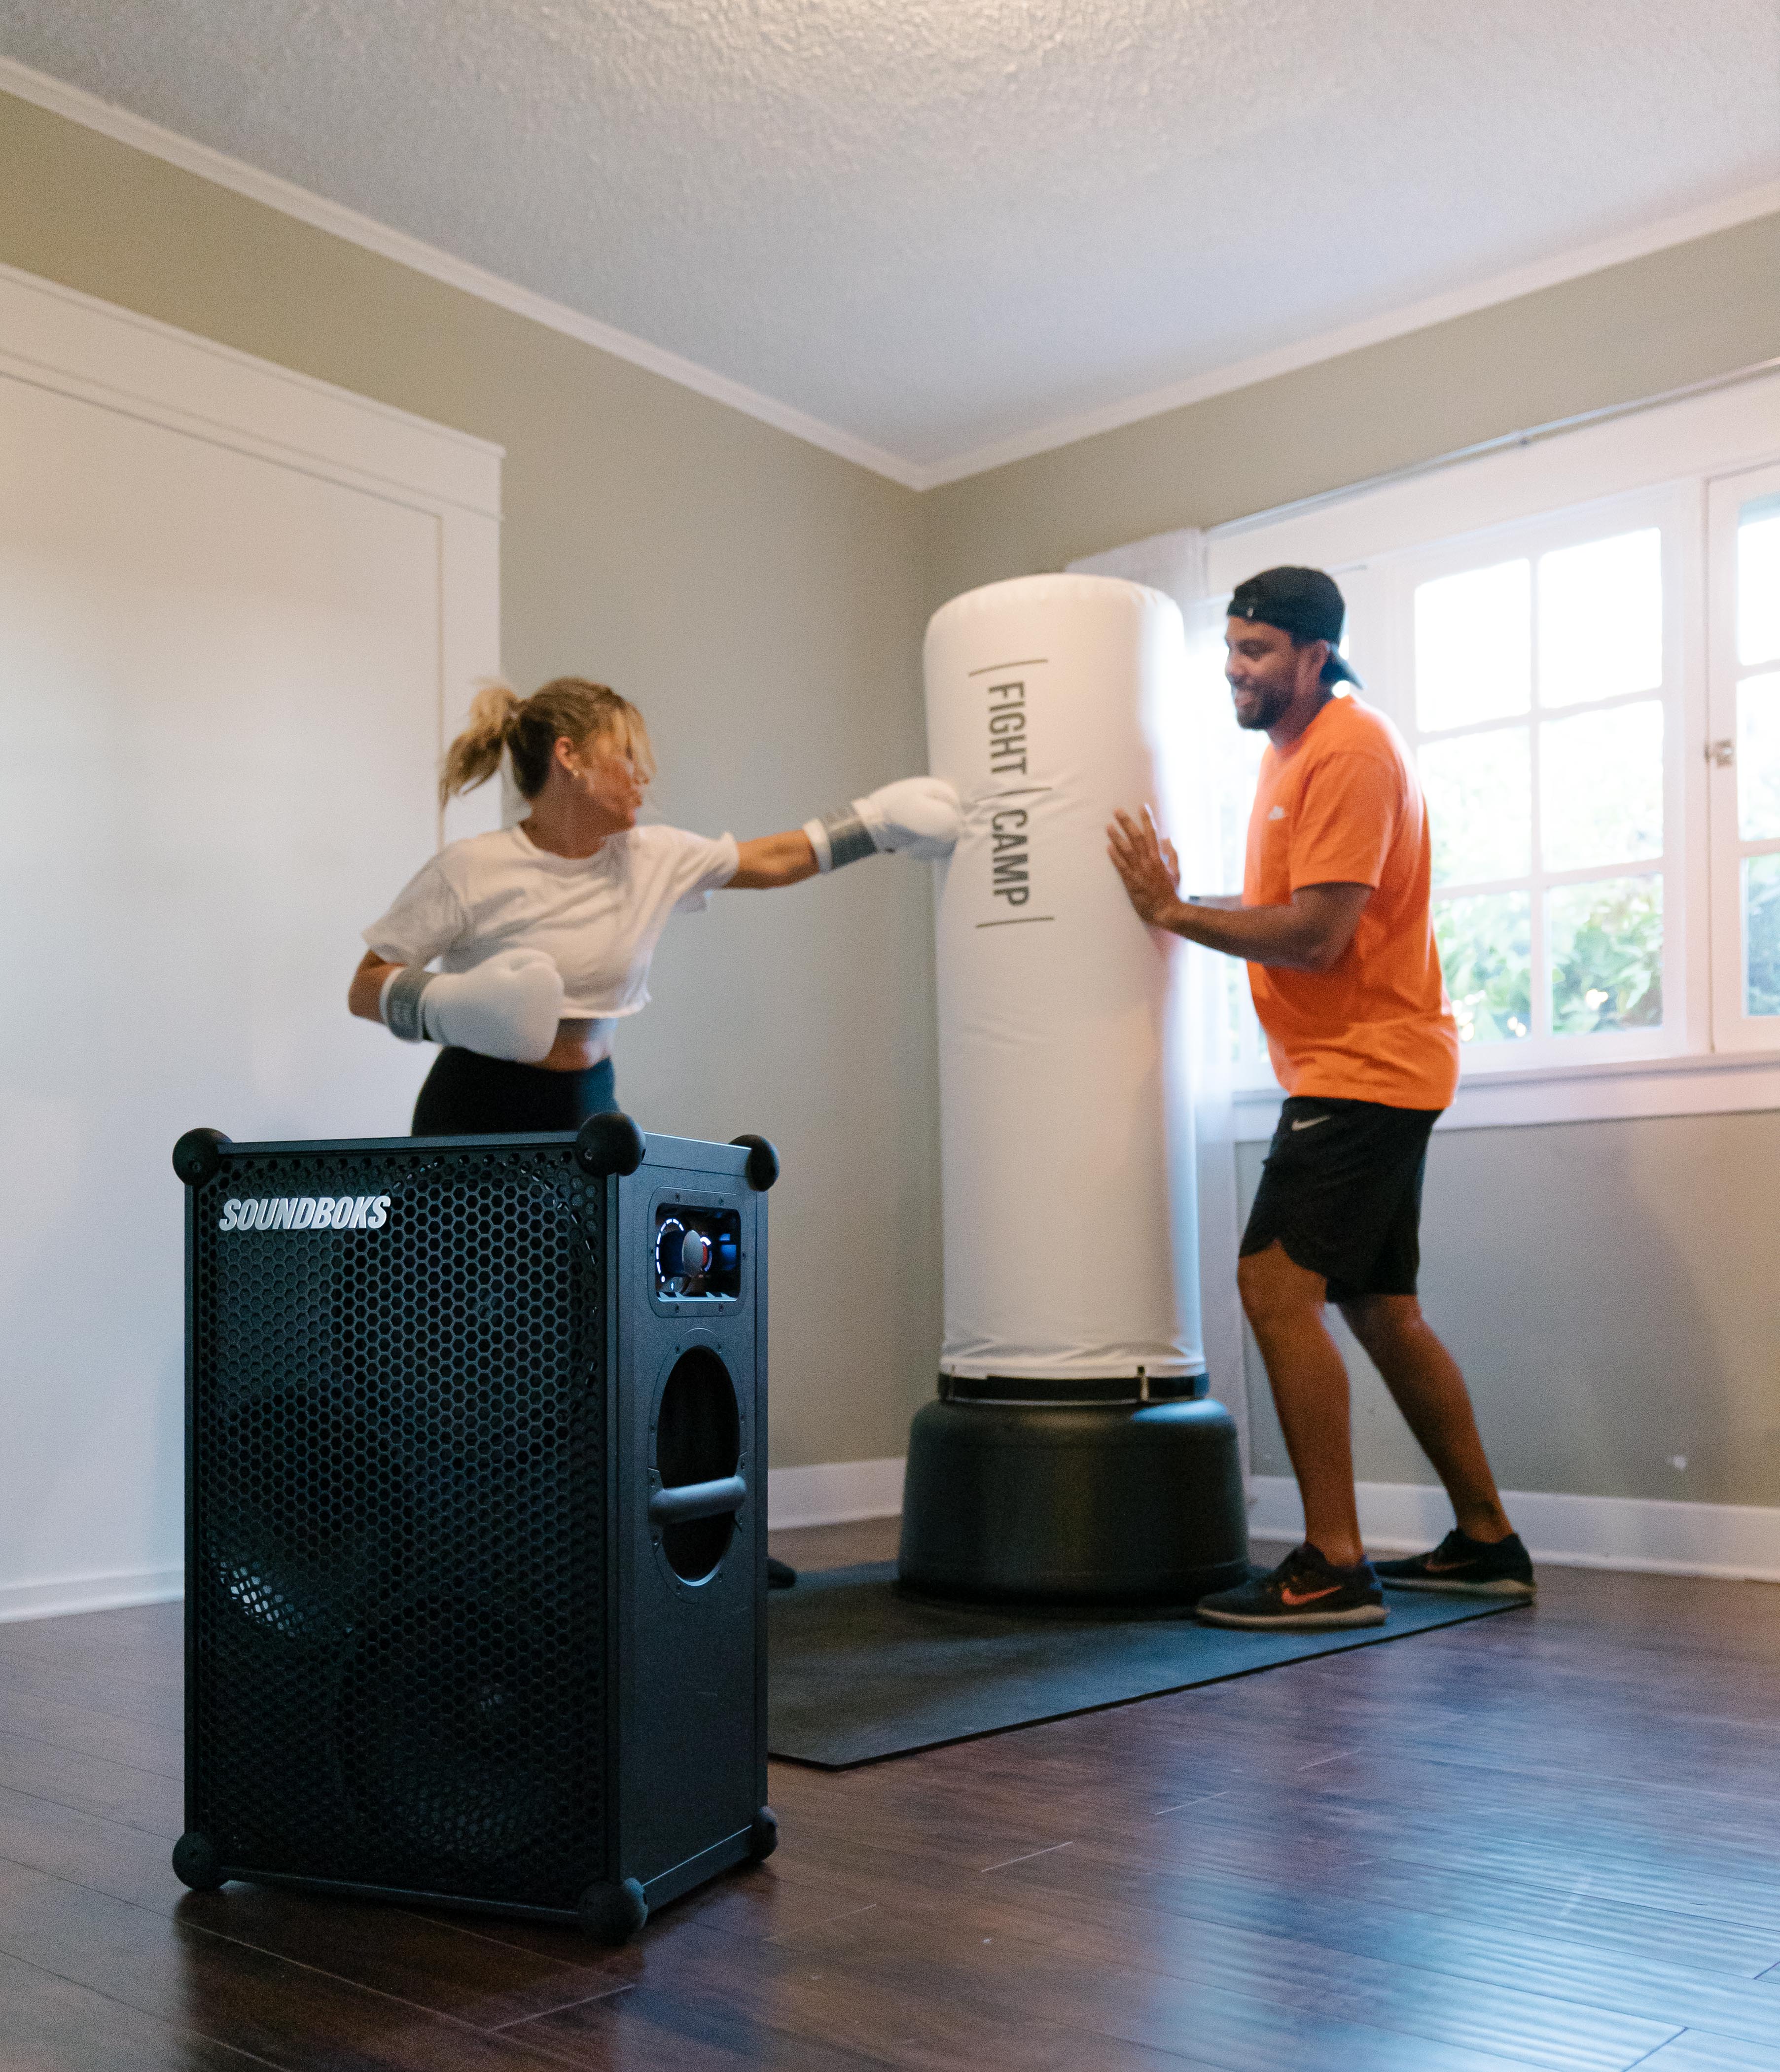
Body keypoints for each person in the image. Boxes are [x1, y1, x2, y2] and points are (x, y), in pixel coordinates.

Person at [1106, 567, 1532, 1630]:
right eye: (1229, 654)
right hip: (1362, 1065)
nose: (1236, 674)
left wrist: (1169, 909)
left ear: (1311, 655)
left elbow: (1314, 933)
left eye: (1255, 654)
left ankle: (1331, 1562)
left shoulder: (1346, 748)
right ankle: (1488, 1543)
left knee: (1271, 1284)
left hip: (1363, 1068)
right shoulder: (1293, 754)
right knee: (1380, 1308)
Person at [350, 677, 959, 1135]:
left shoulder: (652, 856)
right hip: (474, 1104)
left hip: (589, 1096)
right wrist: (452, 1006)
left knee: (587, 1296)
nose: (645, 774)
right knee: (459, 1297)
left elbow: (772, 860)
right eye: (628, 755)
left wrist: (876, 823)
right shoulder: (471, 867)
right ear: (571, 758)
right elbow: (365, 985)